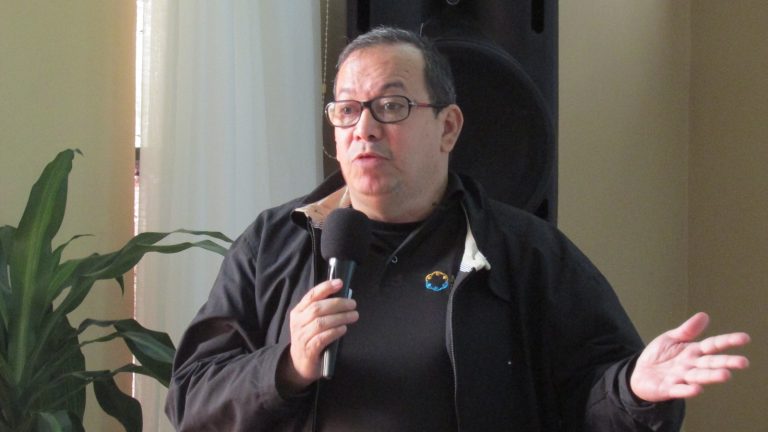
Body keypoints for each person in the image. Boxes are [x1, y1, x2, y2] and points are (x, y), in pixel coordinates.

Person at [165, 26, 750, 431]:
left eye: (391, 106)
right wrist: (286, 366)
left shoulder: (524, 252)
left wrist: (635, 388)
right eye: (347, 110)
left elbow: (590, 399)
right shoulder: (275, 243)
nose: (364, 129)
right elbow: (190, 402)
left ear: (448, 127)